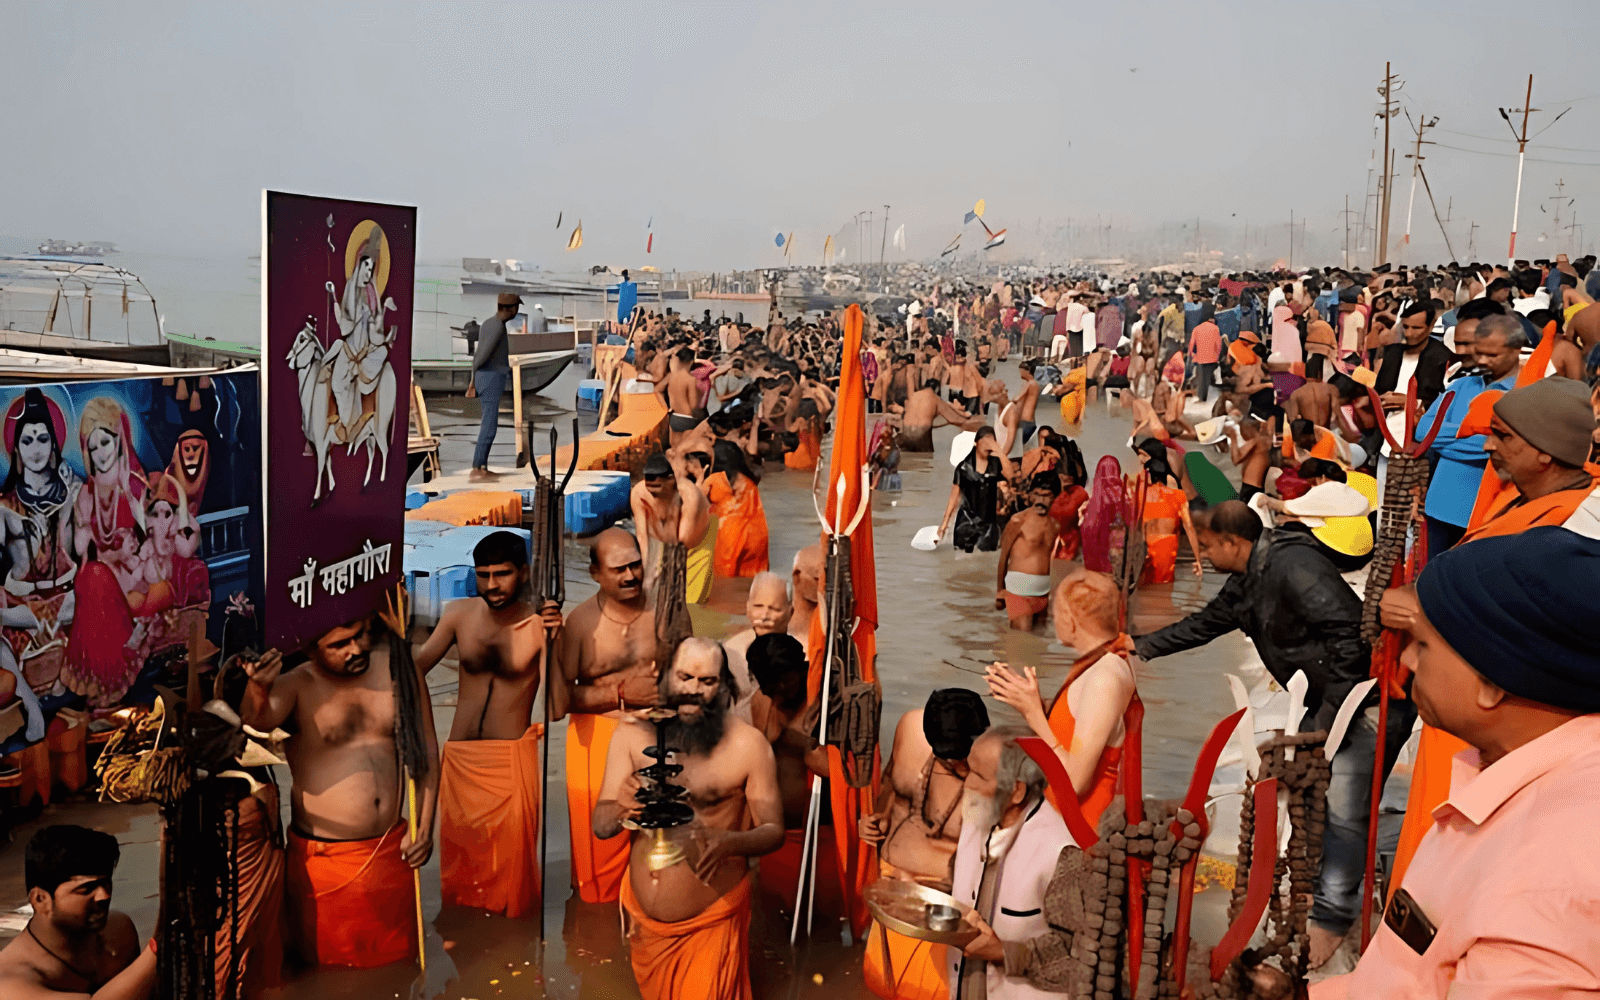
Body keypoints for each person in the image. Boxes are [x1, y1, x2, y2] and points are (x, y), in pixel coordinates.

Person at [1312, 529, 1600, 999]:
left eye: (1422, 645)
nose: (1405, 657)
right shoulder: (1524, 769)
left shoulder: (1544, 884)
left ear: (1494, 680)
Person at [1134, 501, 1406, 967]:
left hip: (1368, 701)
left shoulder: (1293, 567)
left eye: (1207, 544)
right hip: (1327, 699)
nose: (1202, 551)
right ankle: (1314, 888)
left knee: (1343, 806)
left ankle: (1333, 918)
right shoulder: (1250, 573)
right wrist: (1142, 648)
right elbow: (1208, 622)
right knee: (1311, 793)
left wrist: (1330, 721)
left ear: (1231, 543)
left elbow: (1349, 633)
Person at [239, 614, 438, 968]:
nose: (355, 649)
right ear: (311, 649)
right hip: (326, 866)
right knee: (333, 978)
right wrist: (257, 687)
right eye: (339, 645)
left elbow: (426, 752)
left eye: (359, 636)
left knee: (400, 970)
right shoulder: (296, 684)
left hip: (393, 852)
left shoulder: (398, 669)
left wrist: (424, 829)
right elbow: (255, 722)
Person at [594, 638, 783, 1000]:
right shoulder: (631, 735)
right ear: (667, 679)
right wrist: (620, 805)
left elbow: (773, 831)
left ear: (725, 686)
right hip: (643, 924)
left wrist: (731, 842)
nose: (693, 691)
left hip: (710, 921)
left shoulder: (748, 745)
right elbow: (601, 827)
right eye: (685, 677)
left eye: (707, 681)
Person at [414, 530, 564, 918]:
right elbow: (415, 667)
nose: (492, 584)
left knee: (511, 881)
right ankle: (463, 947)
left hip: (510, 764)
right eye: (484, 574)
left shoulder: (538, 625)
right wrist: (391, 635)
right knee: (460, 877)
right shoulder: (458, 614)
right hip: (461, 761)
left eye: (502, 573)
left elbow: (557, 706)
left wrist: (554, 642)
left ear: (525, 573)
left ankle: (513, 952)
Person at [859, 689, 990, 1000]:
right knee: (878, 983)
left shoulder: (994, 774)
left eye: (962, 755)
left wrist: (926, 896)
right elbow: (891, 782)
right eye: (946, 755)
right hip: (889, 891)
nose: (957, 762)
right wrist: (879, 816)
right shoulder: (909, 728)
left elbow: (996, 862)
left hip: (944, 909)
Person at [985, 567, 1137, 828]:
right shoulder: (1102, 661)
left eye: (1056, 612)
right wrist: (1030, 701)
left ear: (1070, 619)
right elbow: (1078, 726)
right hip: (1054, 817)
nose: (1053, 620)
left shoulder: (1104, 678)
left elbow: (1075, 783)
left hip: (1075, 832)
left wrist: (1034, 716)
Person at [558, 528, 661, 905]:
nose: (631, 575)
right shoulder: (581, 624)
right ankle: (596, 938)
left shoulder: (663, 609)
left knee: (660, 851)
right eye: (619, 569)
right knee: (599, 864)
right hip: (598, 740)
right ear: (595, 574)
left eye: (635, 565)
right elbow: (560, 699)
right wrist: (618, 693)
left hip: (655, 736)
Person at [945, 730, 1067, 999]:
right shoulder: (978, 817)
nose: (967, 784)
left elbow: (1080, 955)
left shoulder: (1060, 851)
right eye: (969, 771)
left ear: (1016, 791)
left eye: (980, 776)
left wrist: (1003, 952)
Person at [0, 825, 155, 999]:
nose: (104, 895)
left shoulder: (119, 929)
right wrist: (155, 951)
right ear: (40, 900)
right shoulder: (9, 983)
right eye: (86, 889)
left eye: (106, 883)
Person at [1415, 314, 1527, 553]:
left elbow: (1504, 448)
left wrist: (1445, 438)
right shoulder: (1461, 385)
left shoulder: (1523, 394)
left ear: (1516, 350)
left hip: (1483, 512)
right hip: (1438, 505)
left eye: (1492, 354)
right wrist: (1479, 434)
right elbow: (1424, 430)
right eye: (1480, 352)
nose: (1482, 360)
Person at [744, 632, 832, 909]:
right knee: (768, 912)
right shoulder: (762, 699)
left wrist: (811, 751)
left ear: (803, 668)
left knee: (820, 919)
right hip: (771, 831)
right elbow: (752, 766)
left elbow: (850, 773)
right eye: (770, 685)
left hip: (819, 834)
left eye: (785, 680)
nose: (778, 690)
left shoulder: (826, 703)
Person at [1458, 377, 1598, 543]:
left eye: (1503, 436)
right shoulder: (1523, 487)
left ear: (1546, 451)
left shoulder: (1574, 528)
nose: (1487, 447)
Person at [632, 452, 711, 598]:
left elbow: (683, 539)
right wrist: (645, 572)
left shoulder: (688, 494)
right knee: (654, 587)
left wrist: (659, 568)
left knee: (693, 601)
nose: (654, 496)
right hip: (668, 533)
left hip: (699, 537)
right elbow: (642, 537)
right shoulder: (639, 493)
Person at [722, 571, 791, 723]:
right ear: (748, 609)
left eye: (774, 609)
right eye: (758, 606)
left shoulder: (802, 653)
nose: (764, 615)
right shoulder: (730, 652)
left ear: (790, 612)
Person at [995, 473, 1059, 630]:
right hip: (1019, 590)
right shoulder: (1018, 520)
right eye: (1036, 494)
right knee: (1021, 643)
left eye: (1046, 496)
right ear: (1030, 495)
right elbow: (1003, 557)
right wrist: (1000, 592)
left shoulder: (1055, 525)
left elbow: (1053, 559)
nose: (1040, 500)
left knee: (1038, 646)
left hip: (1043, 592)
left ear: (1055, 497)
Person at [1133, 439, 1203, 583]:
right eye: (1139, 454)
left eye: (1143, 455)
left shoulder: (1169, 480)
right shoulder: (1140, 476)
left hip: (1163, 539)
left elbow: (1176, 517)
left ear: (1154, 455)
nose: (1140, 458)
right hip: (1152, 541)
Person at [466, 293, 519, 481]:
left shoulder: (488, 323)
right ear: (512, 309)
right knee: (489, 425)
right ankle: (479, 467)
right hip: (490, 378)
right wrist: (473, 380)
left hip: (485, 377)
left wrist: (473, 379)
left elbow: (478, 353)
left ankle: (480, 465)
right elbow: (482, 355)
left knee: (488, 423)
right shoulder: (497, 327)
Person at [937, 427, 1011, 553]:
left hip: (989, 523)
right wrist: (944, 525)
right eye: (985, 442)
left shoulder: (996, 464)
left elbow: (1011, 476)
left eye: (991, 442)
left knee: (985, 562)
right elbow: (954, 497)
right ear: (976, 443)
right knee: (961, 562)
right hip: (966, 522)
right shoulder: (963, 468)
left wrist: (998, 450)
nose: (988, 446)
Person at [706, 439, 769, 579]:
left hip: (732, 535)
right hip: (755, 537)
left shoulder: (717, 481)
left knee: (724, 584)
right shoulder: (748, 482)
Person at [1188, 311, 1223, 403]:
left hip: (1200, 358)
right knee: (1208, 378)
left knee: (1201, 377)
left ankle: (1201, 396)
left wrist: (1191, 355)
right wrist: (1218, 356)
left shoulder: (1197, 328)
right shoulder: (1215, 328)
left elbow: (1192, 344)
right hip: (1212, 358)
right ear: (1211, 319)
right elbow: (1218, 345)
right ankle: (1206, 397)